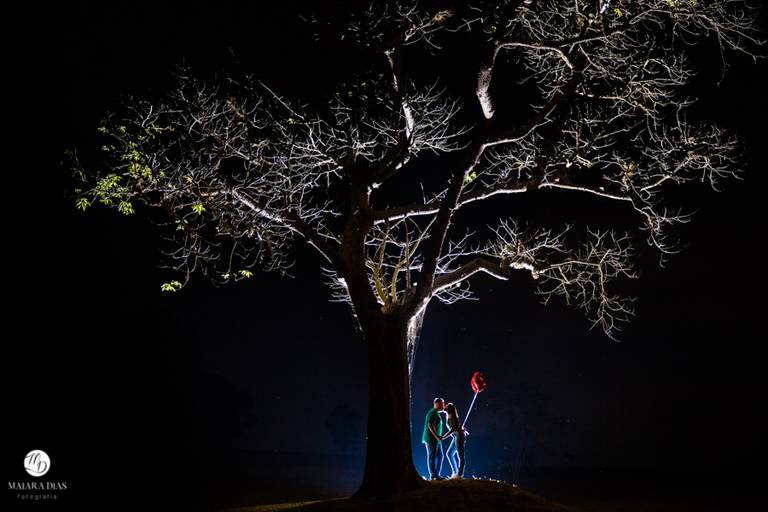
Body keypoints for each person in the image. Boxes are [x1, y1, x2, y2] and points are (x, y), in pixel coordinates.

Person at [441, 402, 468, 478]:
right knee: (449, 453)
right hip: (456, 436)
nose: (444, 407)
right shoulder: (449, 416)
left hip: (458, 436)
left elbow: (453, 429)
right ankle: (455, 472)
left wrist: (444, 436)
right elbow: (457, 426)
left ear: (449, 409)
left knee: (461, 456)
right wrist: (462, 429)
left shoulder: (452, 416)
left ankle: (459, 475)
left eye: (446, 406)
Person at [422, 397, 446, 480]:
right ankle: (433, 475)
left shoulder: (436, 413)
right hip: (431, 439)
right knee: (432, 456)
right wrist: (436, 436)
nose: (443, 405)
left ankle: (436, 474)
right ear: (437, 404)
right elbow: (430, 425)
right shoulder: (432, 413)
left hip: (436, 440)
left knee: (440, 455)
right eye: (442, 403)